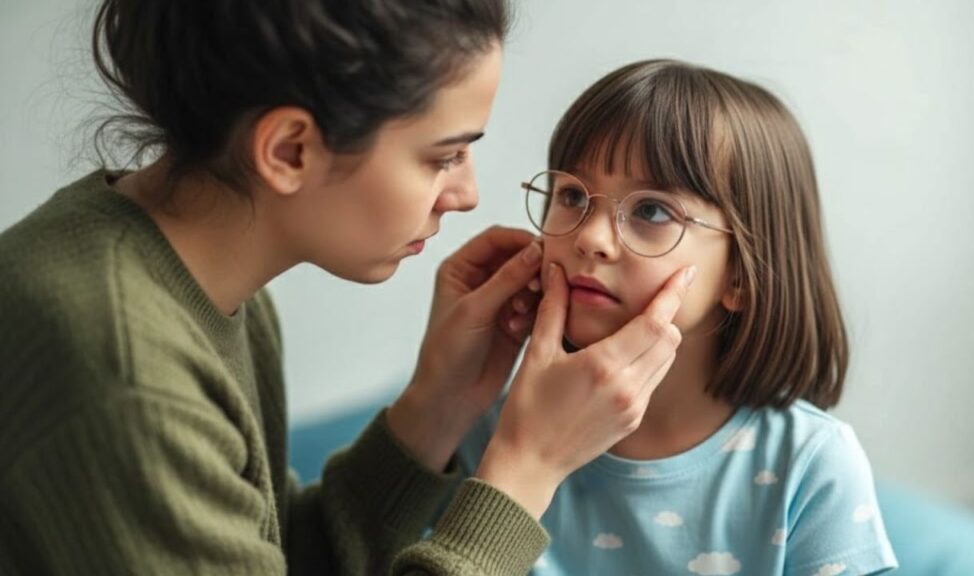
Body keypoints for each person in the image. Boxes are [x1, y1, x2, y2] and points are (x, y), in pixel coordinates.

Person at [0, 3, 693, 575]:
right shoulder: (125, 367)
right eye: (444, 156)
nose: (466, 194)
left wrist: (436, 407)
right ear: (290, 150)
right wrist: (527, 469)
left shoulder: (194, 278)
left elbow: (260, 552)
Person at [457, 59, 899, 575]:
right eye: (573, 195)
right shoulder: (497, 439)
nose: (591, 238)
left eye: (651, 211)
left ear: (741, 275)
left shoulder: (811, 465)